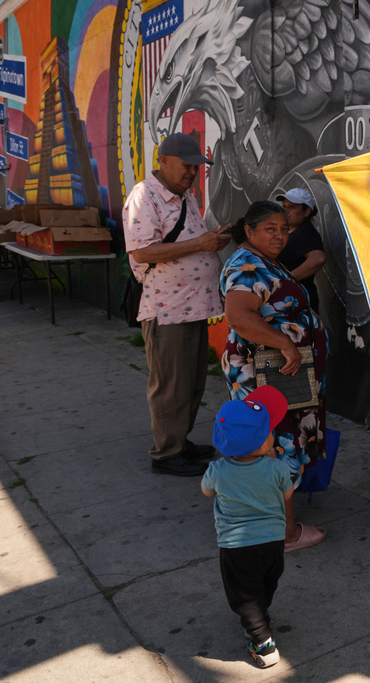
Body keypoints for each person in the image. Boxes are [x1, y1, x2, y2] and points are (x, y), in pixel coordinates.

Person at [220, 200, 328, 553]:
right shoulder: (247, 266)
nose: (280, 236)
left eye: (284, 229)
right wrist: (286, 343)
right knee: (278, 446)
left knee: (274, 443)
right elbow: (239, 315)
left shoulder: (262, 260)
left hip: (279, 370)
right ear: (249, 231)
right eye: (271, 229)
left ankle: (267, 521)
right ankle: (286, 534)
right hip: (271, 372)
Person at [123, 132, 231, 476]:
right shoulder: (145, 196)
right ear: (164, 160)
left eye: (196, 168)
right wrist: (202, 242)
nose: (192, 173)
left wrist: (211, 239)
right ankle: (167, 453)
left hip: (194, 306)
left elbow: (192, 243)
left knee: (191, 382)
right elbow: (144, 251)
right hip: (167, 309)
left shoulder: (184, 197)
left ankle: (180, 441)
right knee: (170, 385)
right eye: (186, 166)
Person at [202, 385, 293, 669]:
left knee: (243, 593)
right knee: (266, 582)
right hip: (273, 542)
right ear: (258, 444)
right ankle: (259, 617)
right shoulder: (276, 468)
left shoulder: (217, 470)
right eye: (268, 432)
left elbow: (206, 491)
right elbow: (287, 495)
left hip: (237, 547)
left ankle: (262, 640)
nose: (272, 434)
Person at [275, 188, 326, 314]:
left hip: (298, 301)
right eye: (284, 206)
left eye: (291, 207)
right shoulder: (289, 232)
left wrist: (287, 280)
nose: (286, 210)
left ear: (307, 211)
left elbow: (318, 258)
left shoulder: (305, 232)